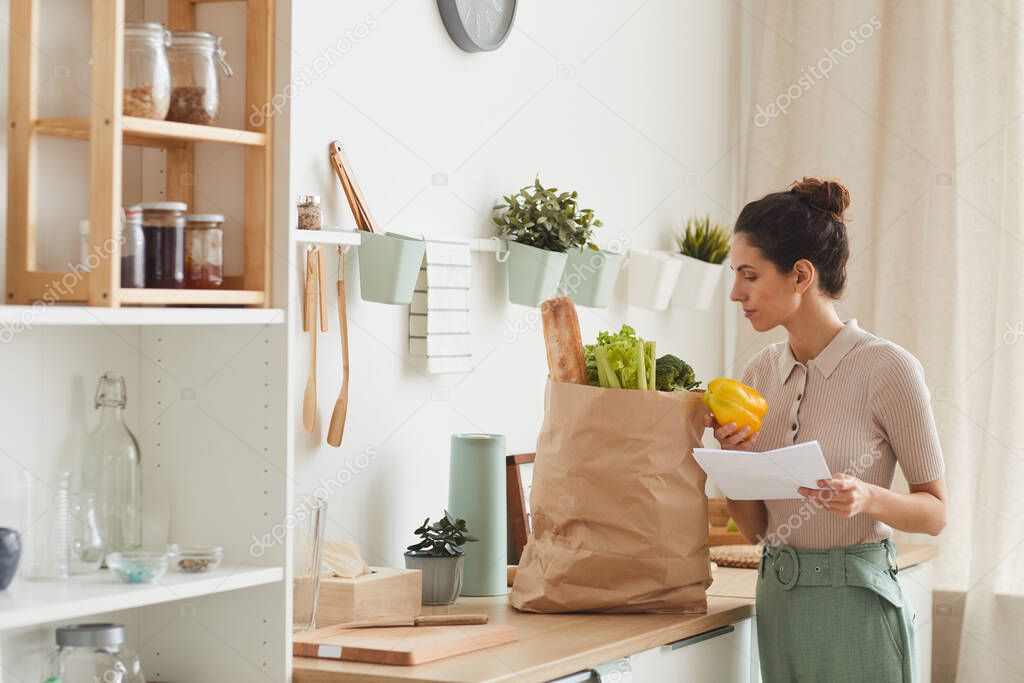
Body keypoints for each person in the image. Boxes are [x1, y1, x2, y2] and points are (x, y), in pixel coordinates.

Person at [706, 177, 947, 682]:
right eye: (735, 276)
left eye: (749, 276)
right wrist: (737, 464)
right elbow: (754, 531)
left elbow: (934, 514)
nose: (736, 293)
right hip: (778, 596)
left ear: (800, 275)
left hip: (857, 602)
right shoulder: (759, 374)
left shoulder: (889, 368)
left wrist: (868, 497)